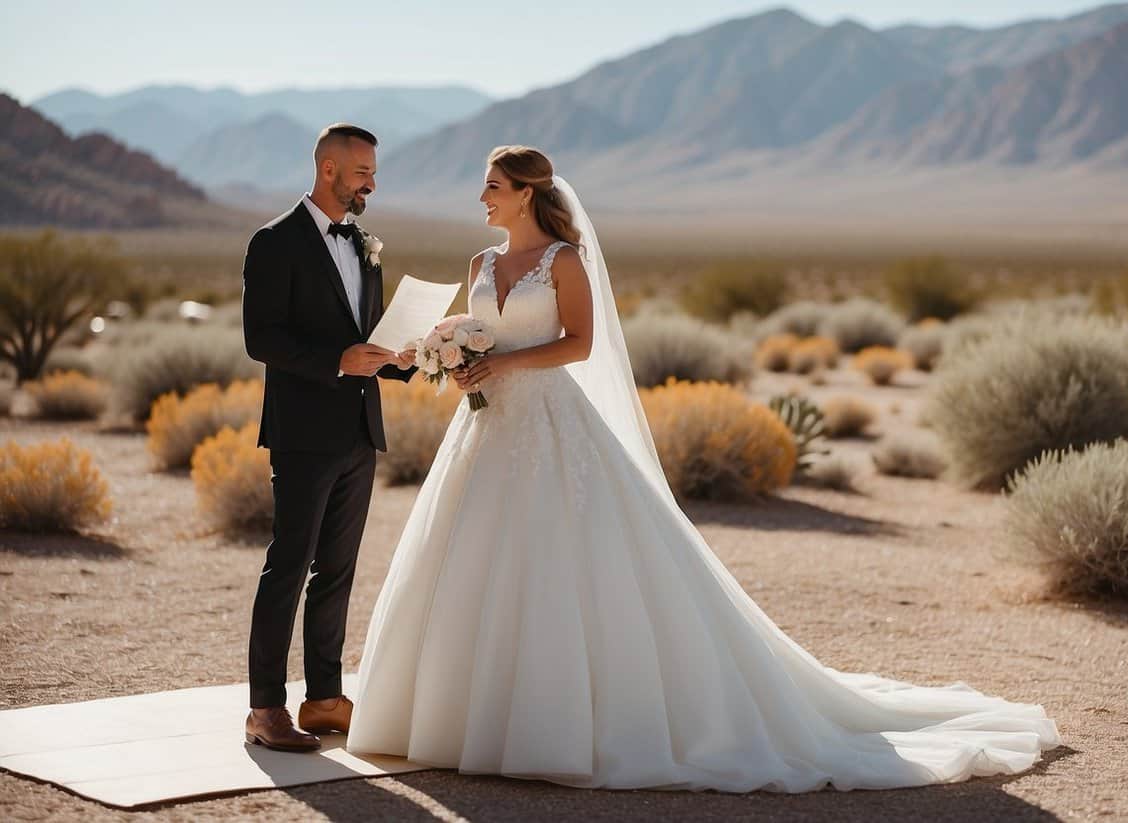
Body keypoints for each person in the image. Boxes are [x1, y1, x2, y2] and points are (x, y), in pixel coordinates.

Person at [345, 144, 1060, 791]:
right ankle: (458, 717)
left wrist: (500, 361)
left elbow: (580, 343)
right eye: (484, 186)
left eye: (494, 186)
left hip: (551, 422)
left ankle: (554, 721)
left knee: (564, 560)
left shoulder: (562, 261)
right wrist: (434, 357)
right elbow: (465, 341)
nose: (483, 198)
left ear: (528, 192)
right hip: (487, 429)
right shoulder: (478, 264)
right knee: (472, 557)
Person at [241, 123, 416, 752]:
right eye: (364, 170)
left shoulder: (366, 244)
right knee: (288, 565)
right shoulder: (274, 242)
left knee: (337, 570)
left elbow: (366, 339)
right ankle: (265, 709)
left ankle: (322, 699)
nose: (372, 181)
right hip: (303, 432)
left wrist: (421, 355)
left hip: (359, 432)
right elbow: (262, 338)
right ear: (329, 170)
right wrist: (337, 361)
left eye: (373, 170)